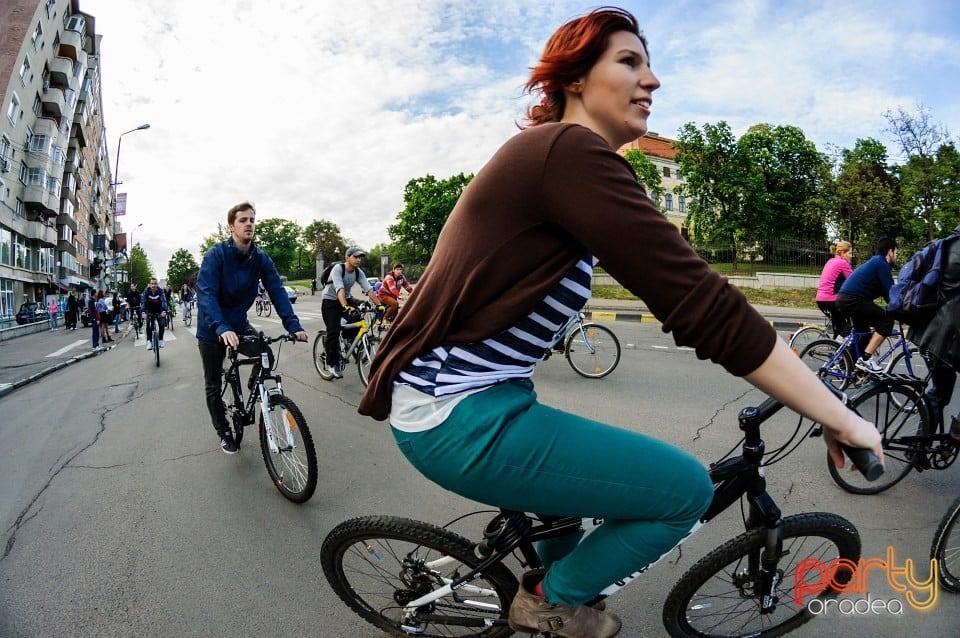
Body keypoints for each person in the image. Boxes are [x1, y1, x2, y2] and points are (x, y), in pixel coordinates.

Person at [357, 9, 883, 637]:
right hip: (458, 414)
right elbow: (702, 303)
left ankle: (559, 599)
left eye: (650, 64)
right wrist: (839, 414)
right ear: (576, 78)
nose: (652, 80)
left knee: (572, 513)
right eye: (629, 62)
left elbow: (674, 290)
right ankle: (549, 606)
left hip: (483, 401)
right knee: (683, 491)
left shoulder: (567, 167)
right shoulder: (565, 151)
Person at [196, 201, 308, 454]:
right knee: (212, 383)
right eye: (243, 220)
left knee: (265, 354)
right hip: (212, 327)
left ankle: (252, 389)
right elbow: (206, 293)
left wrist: (293, 325)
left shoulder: (260, 258)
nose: (249, 224)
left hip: (237, 323)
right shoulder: (216, 255)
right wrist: (221, 326)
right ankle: (224, 431)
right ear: (231, 226)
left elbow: (277, 291)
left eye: (252, 220)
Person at [905, 226, 960, 439]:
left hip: (926, 330)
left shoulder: (946, 244)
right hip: (945, 337)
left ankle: (921, 447)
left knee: (939, 393)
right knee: (939, 394)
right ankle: (923, 444)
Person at [836, 237, 898, 373]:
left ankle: (844, 367)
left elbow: (887, 294)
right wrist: (904, 311)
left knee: (863, 334)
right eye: (896, 252)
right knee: (886, 320)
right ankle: (865, 359)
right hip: (854, 300)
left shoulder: (876, 262)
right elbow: (891, 294)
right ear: (890, 252)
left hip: (846, 299)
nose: (896, 256)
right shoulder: (882, 264)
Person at [320, 247, 379, 379]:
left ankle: (348, 339)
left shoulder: (358, 272)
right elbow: (339, 288)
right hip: (330, 301)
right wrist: (346, 307)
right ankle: (332, 363)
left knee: (359, 320)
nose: (358, 260)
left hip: (346, 299)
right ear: (347, 257)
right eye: (355, 257)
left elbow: (368, 289)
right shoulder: (338, 269)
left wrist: (379, 305)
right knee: (333, 331)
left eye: (360, 257)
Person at [814, 241, 854, 338]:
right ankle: (839, 346)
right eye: (850, 253)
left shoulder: (830, 261)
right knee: (851, 325)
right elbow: (854, 281)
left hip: (821, 300)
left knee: (839, 327)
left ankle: (835, 345)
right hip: (832, 300)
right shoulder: (843, 263)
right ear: (842, 253)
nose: (851, 256)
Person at [140, 277, 169, 349]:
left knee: (162, 324)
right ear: (149, 284)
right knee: (148, 325)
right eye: (152, 284)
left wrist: (164, 310)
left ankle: (161, 339)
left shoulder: (160, 291)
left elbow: (164, 301)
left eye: (155, 284)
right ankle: (149, 341)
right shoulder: (146, 292)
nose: (153, 285)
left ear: (157, 284)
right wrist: (143, 312)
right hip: (149, 311)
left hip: (159, 310)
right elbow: (143, 302)